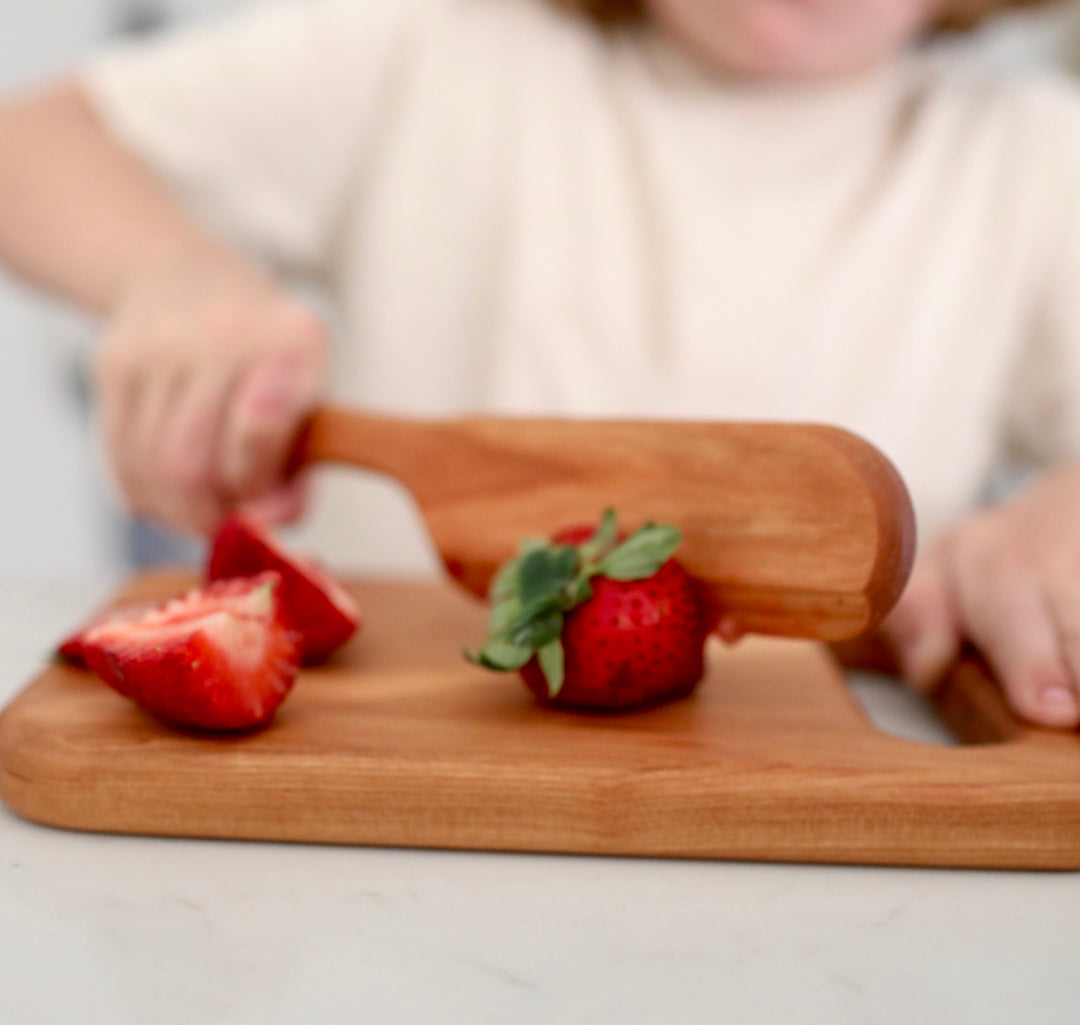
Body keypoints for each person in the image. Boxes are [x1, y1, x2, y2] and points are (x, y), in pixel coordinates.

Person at [0, 0, 1078, 727]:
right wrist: (175, 280)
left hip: (827, 821)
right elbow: (32, 143)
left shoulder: (1033, 159)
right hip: (401, 799)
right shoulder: (441, 47)